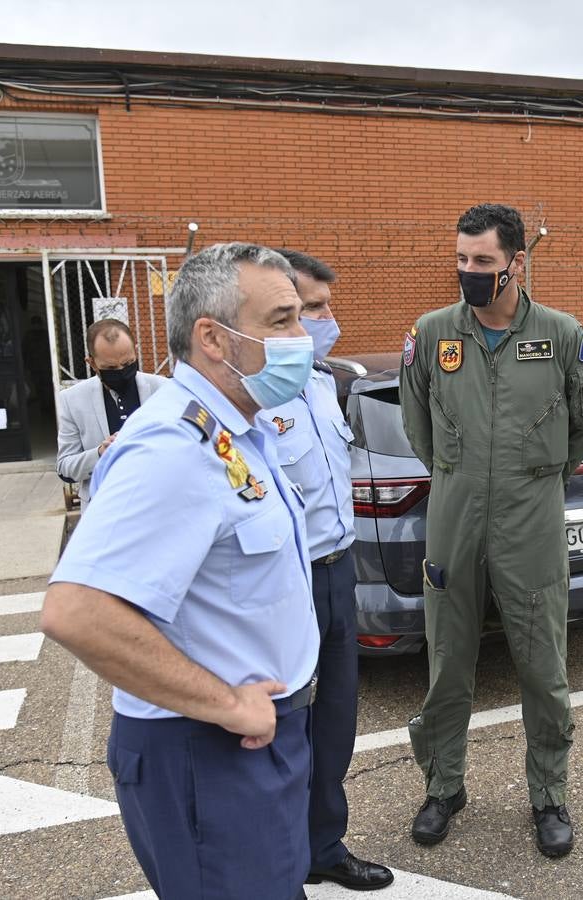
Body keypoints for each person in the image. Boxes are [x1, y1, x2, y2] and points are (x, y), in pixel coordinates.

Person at [40, 243, 321, 899]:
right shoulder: (174, 445)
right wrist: (226, 704)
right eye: (281, 321)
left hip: (249, 743)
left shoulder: (235, 429)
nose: (301, 338)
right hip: (208, 751)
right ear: (213, 339)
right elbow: (76, 610)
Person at [398, 203, 583, 858]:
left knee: (541, 666)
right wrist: (457, 476)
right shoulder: (431, 334)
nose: (468, 272)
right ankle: (443, 786)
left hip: (531, 513)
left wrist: (536, 477)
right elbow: (417, 425)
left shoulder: (562, 333)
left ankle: (548, 795)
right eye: (461, 260)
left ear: (516, 262)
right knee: (446, 659)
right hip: (454, 511)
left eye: (482, 262)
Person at [263, 249, 393, 891]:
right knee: (283, 730)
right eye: (309, 309)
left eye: (321, 307)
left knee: (336, 719)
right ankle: (280, 859)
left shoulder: (318, 383)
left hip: (339, 574)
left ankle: (323, 844)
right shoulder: (255, 399)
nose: (325, 320)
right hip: (290, 581)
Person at [54, 318, 166, 506]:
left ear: (136, 351)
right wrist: (100, 453)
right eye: (111, 368)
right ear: (92, 363)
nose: (122, 371)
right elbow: (65, 468)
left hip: (158, 503)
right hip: (103, 510)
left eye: (128, 362)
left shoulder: (163, 388)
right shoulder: (72, 400)